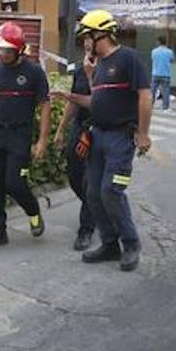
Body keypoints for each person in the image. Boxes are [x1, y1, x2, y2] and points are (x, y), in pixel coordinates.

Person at [54, 10, 151, 272]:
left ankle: (131, 244)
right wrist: (69, 95)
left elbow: (144, 96)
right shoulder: (95, 66)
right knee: (93, 193)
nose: (84, 43)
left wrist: (143, 133)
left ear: (101, 34)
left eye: (87, 37)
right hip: (97, 136)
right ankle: (110, 244)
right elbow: (95, 102)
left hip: (121, 138)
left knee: (111, 191)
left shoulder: (128, 58)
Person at [0, 22, 51, 250]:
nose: (3, 54)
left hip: (20, 135)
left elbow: (45, 106)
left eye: (7, 50)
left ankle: (33, 210)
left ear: (19, 50)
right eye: (0, 49)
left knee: (15, 184)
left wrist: (42, 140)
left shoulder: (34, 72)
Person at [54, 27, 97, 251]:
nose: (87, 44)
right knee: (74, 175)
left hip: (99, 130)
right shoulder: (81, 69)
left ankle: (86, 229)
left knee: (90, 180)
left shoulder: (111, 69)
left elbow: (100, 102)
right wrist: (61, 129)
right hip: (79, 128)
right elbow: (73, 100)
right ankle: (96, 207)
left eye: (91, 39)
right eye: (85, 40)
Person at [150, 36, 174, 111]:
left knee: (153, 91)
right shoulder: (170, 51)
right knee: (166, 91)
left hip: (155, 73)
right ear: (165, 42)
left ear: (158, 42)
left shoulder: (154, 51)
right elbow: (172, 60)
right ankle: (165, 107)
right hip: (166, 74)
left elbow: (152, 59)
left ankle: (150, 106)